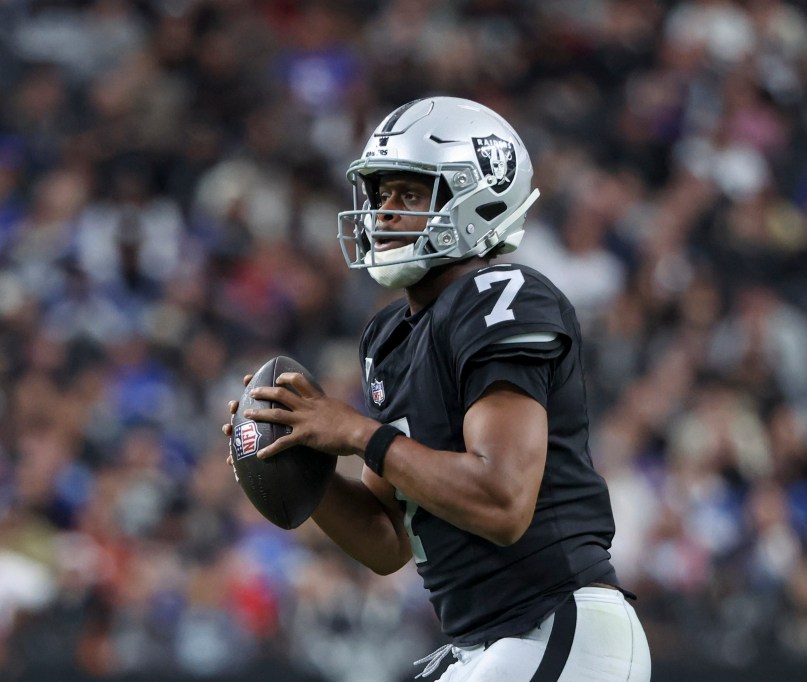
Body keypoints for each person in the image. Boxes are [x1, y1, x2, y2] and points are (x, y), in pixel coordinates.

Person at [224, 97, 651, 681]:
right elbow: (385, 539)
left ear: (481, 196)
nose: (383, 213)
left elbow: (502, 503)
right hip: (488, 641)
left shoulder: (505, 295)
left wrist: (356, 432)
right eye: (379, 195)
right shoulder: (389, 336)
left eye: (408, 193)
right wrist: (302, 461)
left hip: (556, 622)